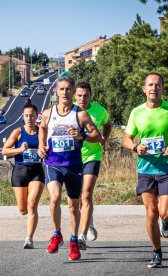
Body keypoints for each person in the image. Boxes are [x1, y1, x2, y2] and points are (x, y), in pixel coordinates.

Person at [122, 72, 168, 268]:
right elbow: (126, 139)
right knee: (151, 213)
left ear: (162, 88)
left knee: (165, 212)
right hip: (145, 169)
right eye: (150, 85)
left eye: (158, 85)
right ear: (144, 89)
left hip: (167, 168)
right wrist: (135, 147)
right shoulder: (136, 112)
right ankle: (156, 253)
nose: (154, 88)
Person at [37, 74, 101, 261]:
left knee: (73, 207)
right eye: (61, 89)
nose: (65, 92)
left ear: (73, 92)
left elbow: (97, 136)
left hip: (73, 165)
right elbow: (42, 128)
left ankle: (74, 240)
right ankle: (56, 234)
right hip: (53, 163)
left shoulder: (80, 114)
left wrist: (81, 136)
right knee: (55, 197)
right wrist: (41, 145)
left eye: (68, 89)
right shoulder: (49, 113)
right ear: (57, 91)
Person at [2, 99, 45, 249]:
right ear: (22, 116)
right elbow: (4, 150)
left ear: (36, 116)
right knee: (22, 209)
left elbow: (48, 148)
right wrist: (19, 150)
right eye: (26, 116)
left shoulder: (41, 131)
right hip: (20, 172)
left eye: (32, 115)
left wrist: (44, 151)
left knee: (32, 205)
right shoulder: (18, 132)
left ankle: (29, 239)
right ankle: (27, 219)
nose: (29, 118)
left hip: (36, 172)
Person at [74, 82, 112, 249]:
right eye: (79, 95)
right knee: (78, 197)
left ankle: (82, 234)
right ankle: (88, 221)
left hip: (92, 156)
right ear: (75, 95)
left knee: (87, 194)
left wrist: (104, 138)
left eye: (86, 95)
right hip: (73, 158)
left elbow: (108, 124)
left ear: (91, 95)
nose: (82, 98)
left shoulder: (99, 110)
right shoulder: (70, 110)